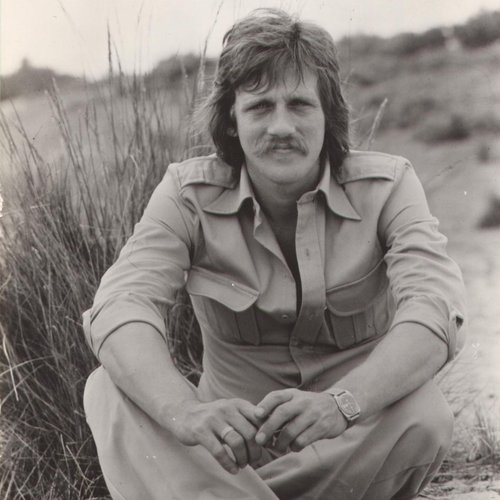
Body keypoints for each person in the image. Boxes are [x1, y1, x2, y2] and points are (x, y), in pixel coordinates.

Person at [83, 8, 467, 500]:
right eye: (260, 107)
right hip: (225, 456)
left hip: (347, 444)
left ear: (328, 115)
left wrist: (342, 404)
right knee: (108, 390)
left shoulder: (389, 187)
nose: (281, 126)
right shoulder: (186, 195)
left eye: (300, 104)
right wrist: (186, 412)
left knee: (423, 413)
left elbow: (436, 309)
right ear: (231, 120)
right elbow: (122, 305)